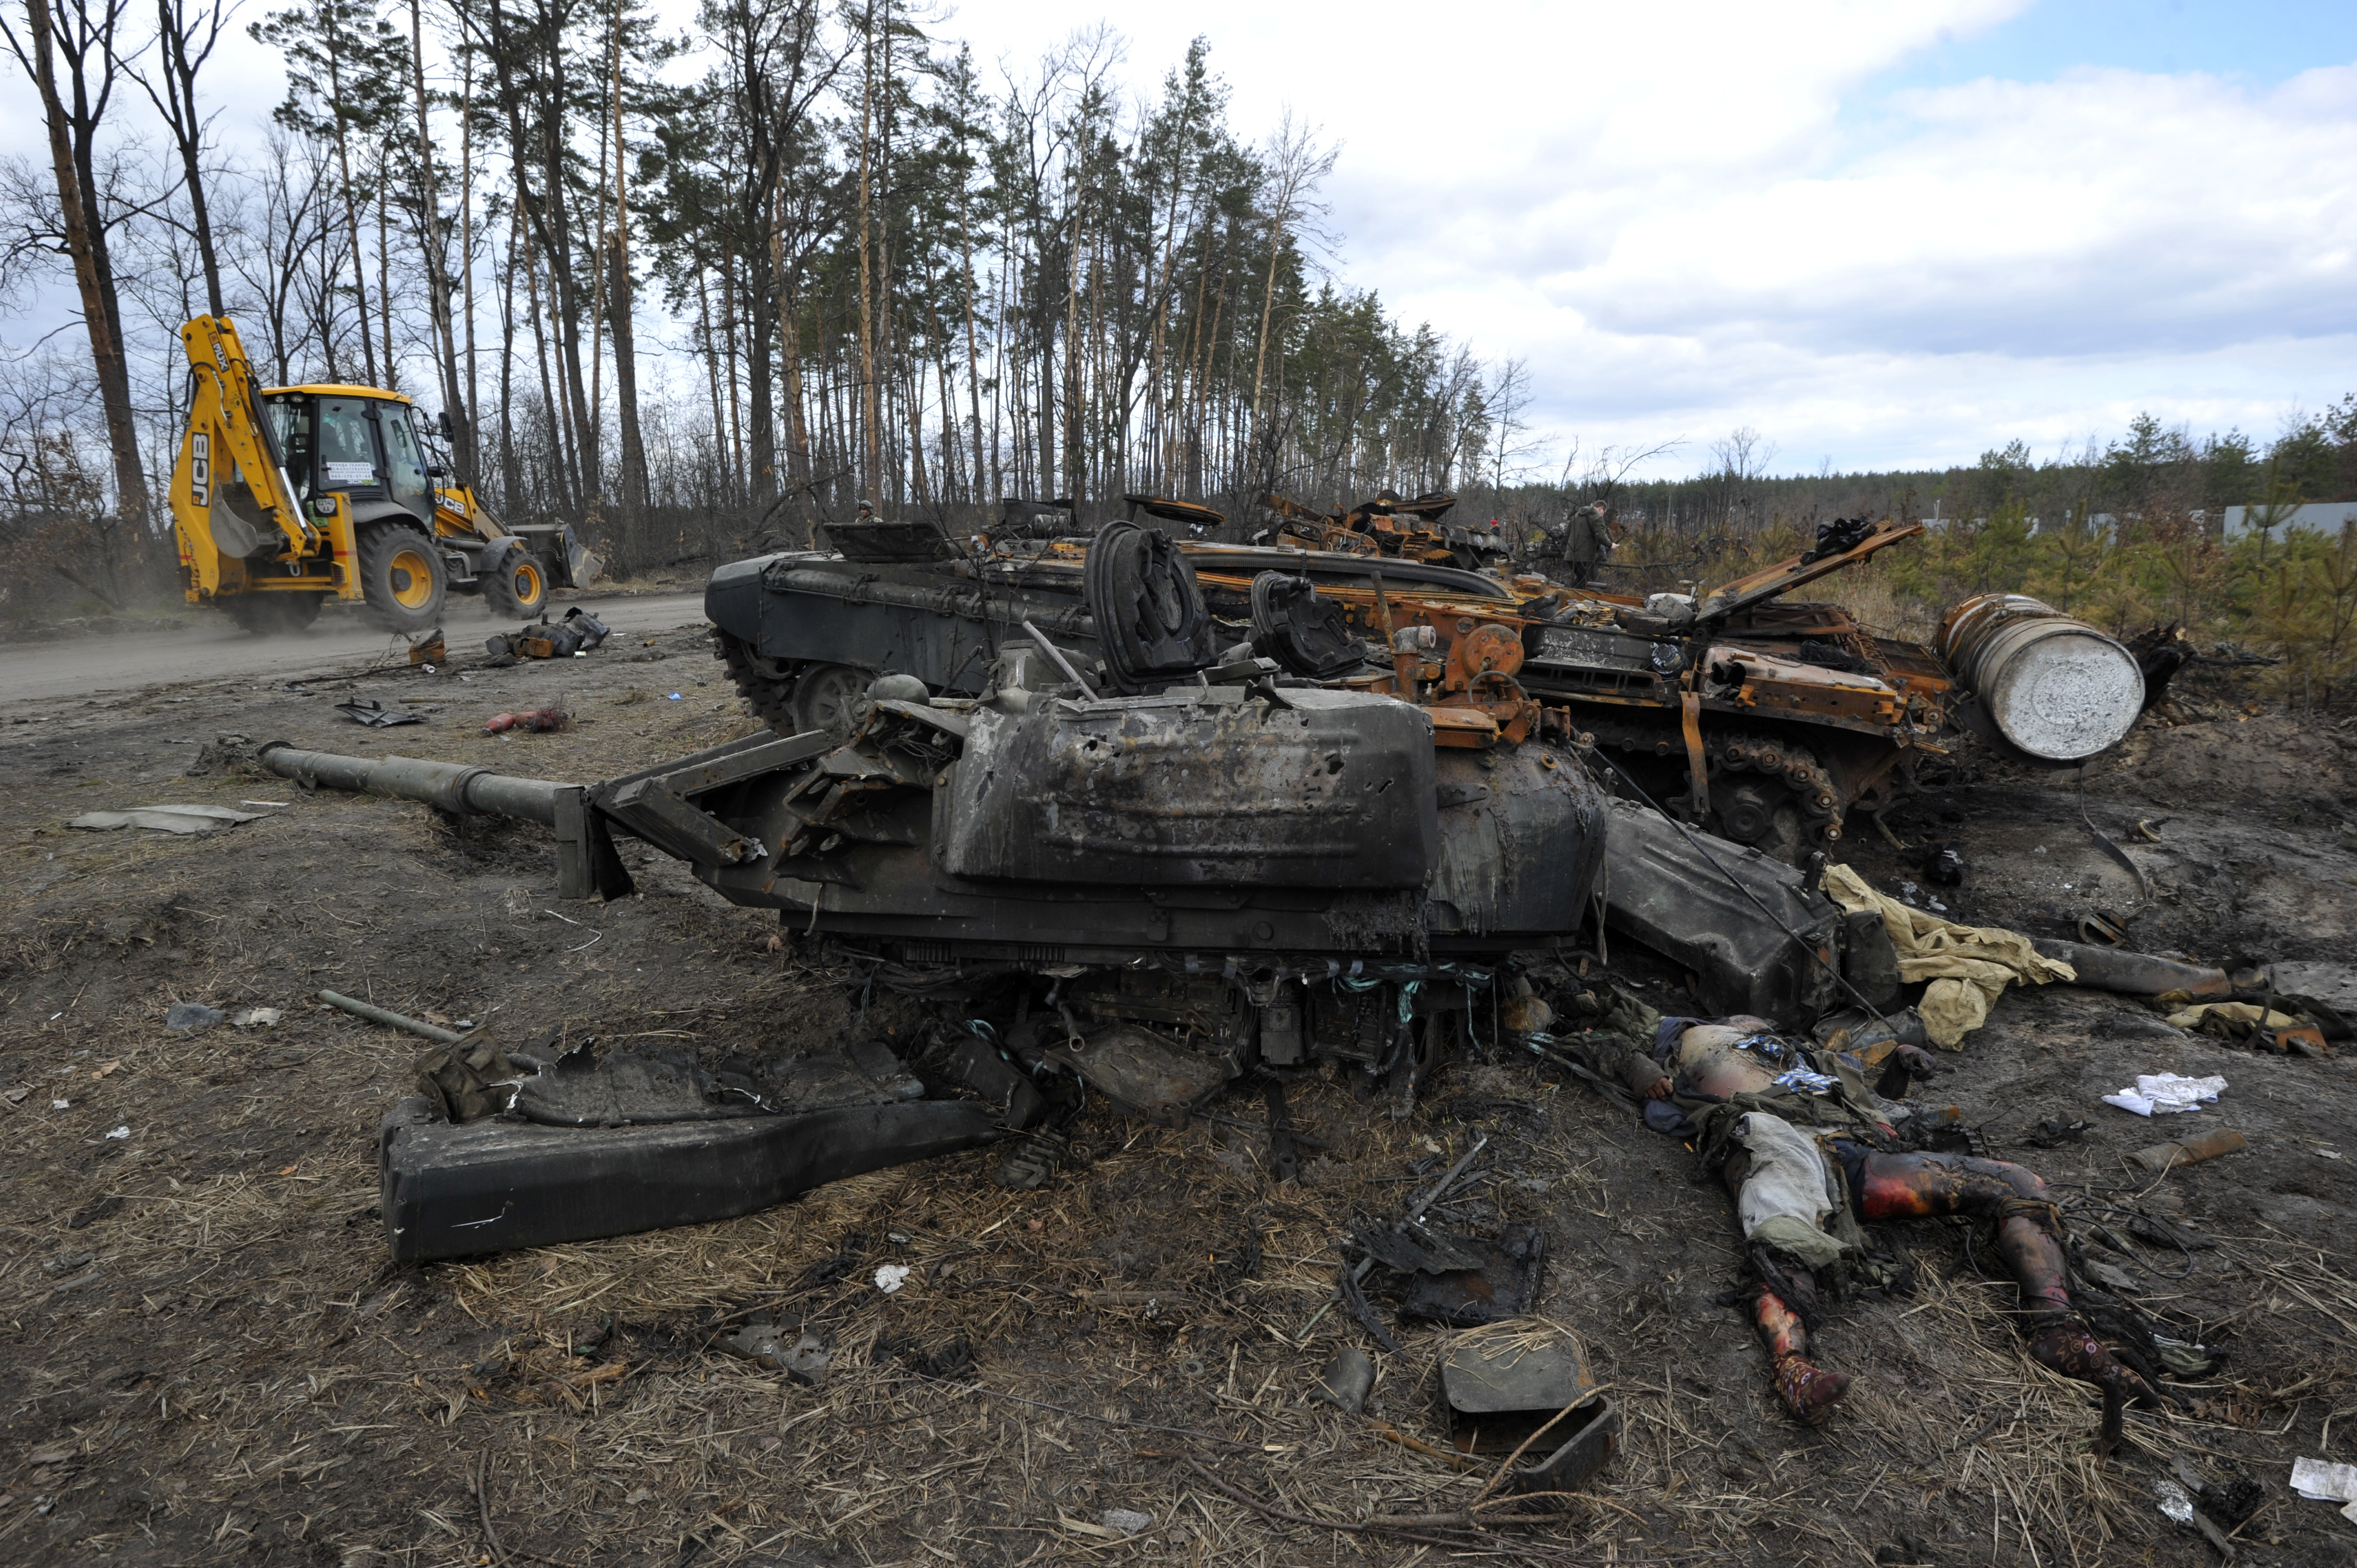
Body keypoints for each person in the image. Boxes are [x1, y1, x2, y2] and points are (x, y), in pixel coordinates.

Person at [1587, 1012, 2163, 1439]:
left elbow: (1867, 1098)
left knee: (2018, 1182)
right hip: (1768, 1134)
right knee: (1784, 1224)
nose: (1751, 1023)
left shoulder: (1798, 1051)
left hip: (1853, 1147)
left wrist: (1897, 1067)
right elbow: (1590, 1033)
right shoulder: (1673, 1033)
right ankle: (1793, 1368)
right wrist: (1639, 1068)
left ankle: (2056, 1326)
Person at [1557, 501, 1615, 586]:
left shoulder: (1576, 516)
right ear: (1601, 509)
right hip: (1585, 557)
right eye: (1605, 512)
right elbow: (1601, 535)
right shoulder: (1597, 518)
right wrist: (1611, 545)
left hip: (1570, 556)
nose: (1604, 515)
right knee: (1587, 581)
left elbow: (1566, 535)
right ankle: (1569, 593)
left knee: (1582, 579)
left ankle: (1569, 592)